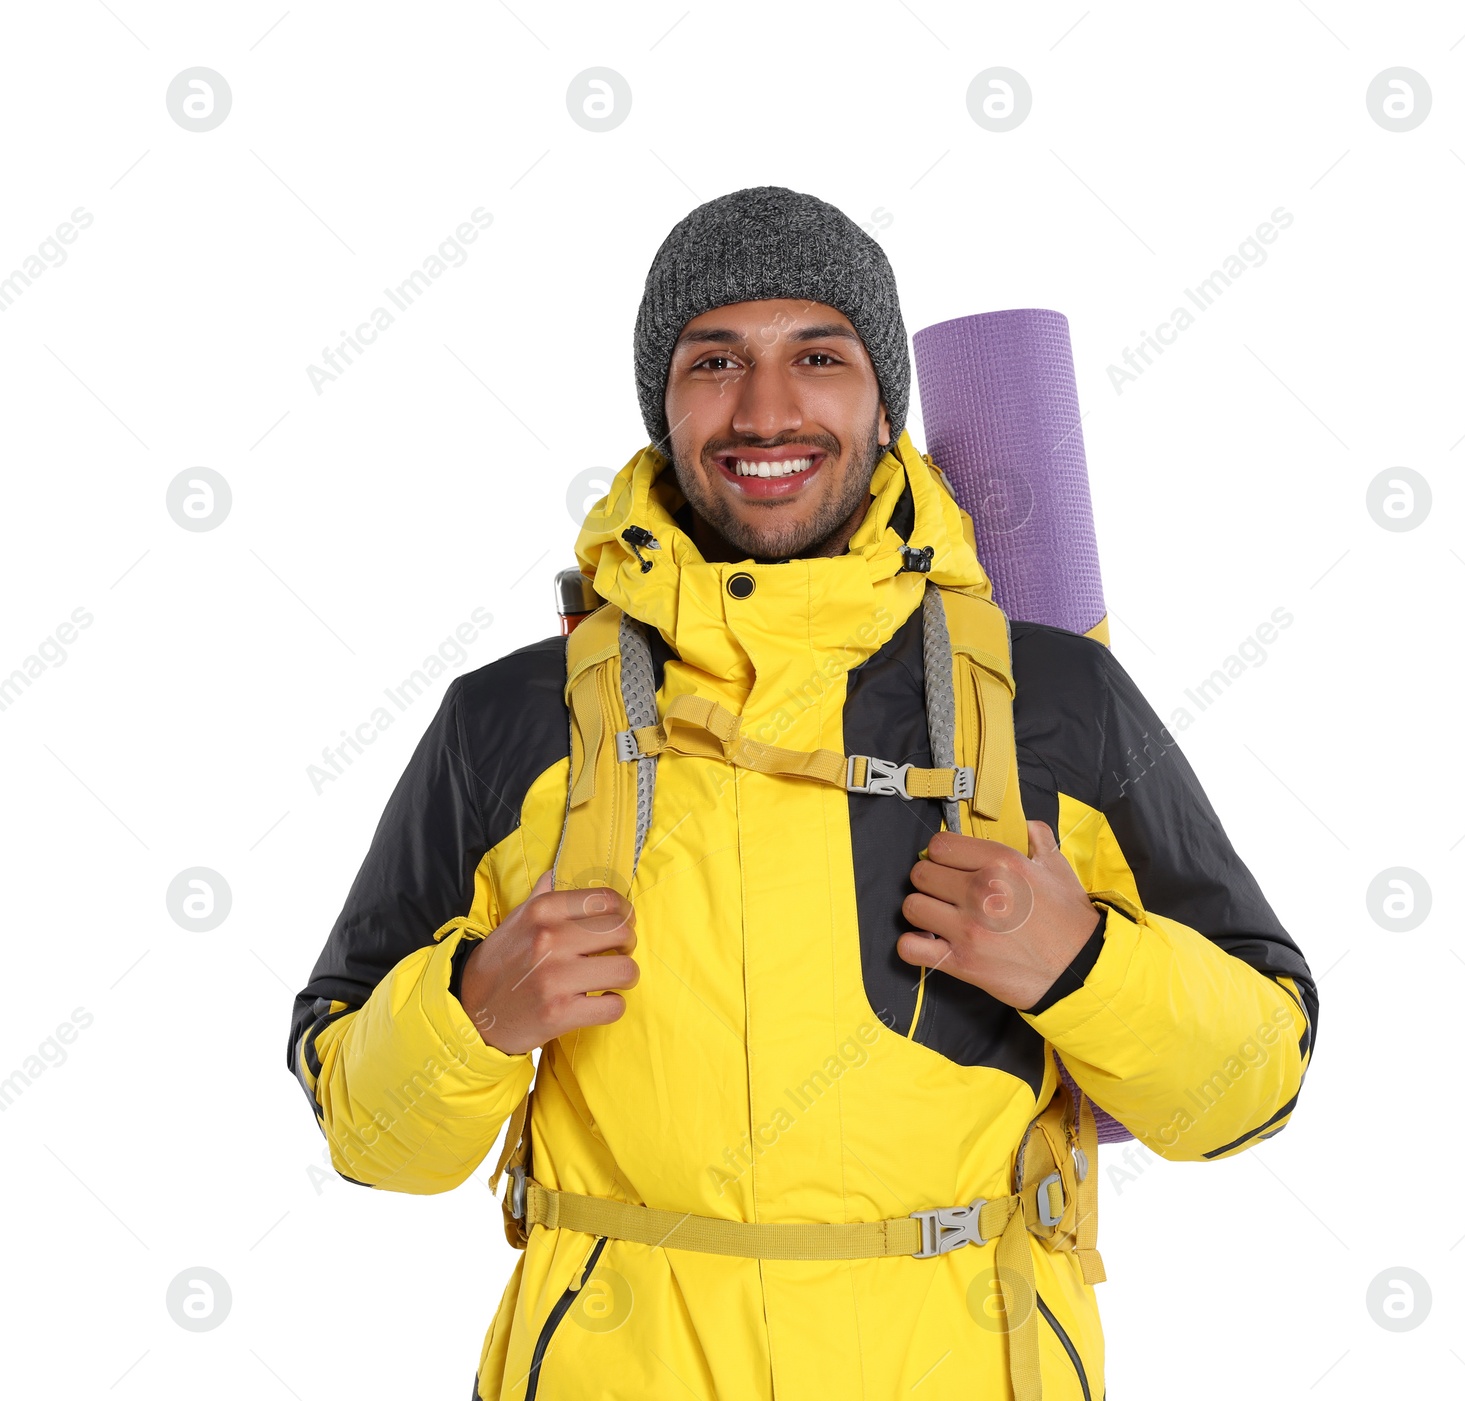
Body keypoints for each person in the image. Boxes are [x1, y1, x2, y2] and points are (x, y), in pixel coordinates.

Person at [288, 186, 1318, 1401]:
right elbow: (372, 1140)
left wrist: (1085, 966)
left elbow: (1248, 1096)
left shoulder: (1055, 697)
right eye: (713, 359)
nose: (764, 408)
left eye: (817, 357)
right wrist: (467, 1016)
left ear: (883, 402)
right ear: (661, 405)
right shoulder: (508, 721)